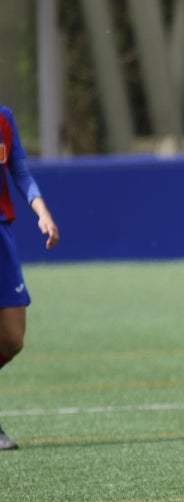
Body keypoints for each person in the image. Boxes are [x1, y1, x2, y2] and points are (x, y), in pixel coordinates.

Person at [0, 105, 60, 450]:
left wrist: (43, 213)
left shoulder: (5, 118)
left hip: (1, 235)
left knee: (11, 338)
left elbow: (19, 172)